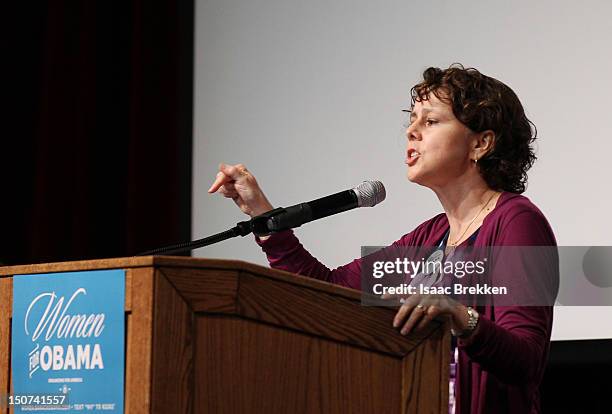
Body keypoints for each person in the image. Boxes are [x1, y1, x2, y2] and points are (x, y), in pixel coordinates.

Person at [208, 64, 558, 414]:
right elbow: (327, 291)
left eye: (431, 121)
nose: (412, 131)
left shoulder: (516, 222)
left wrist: (458, 315)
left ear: (481, 143)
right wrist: (261, 213)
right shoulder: (430, 236)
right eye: (412, 119)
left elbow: (527, 360)